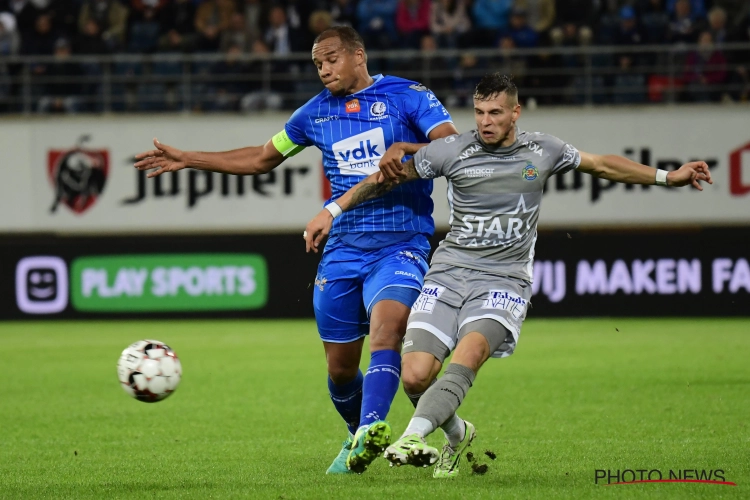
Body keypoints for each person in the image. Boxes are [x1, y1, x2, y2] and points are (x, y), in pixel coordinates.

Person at [303, 73, 712, 478]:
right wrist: (333, 210)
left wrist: (667, 176)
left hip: (503, 281)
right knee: (415, 377)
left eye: (495, 112)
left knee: (467, 356)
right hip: (447, 275)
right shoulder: (452, 150)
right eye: (479, 112)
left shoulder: (543, 149)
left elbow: (603, 165)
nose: (485, 121)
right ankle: (458, 434)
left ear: (515, 112)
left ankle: (411, 437)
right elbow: (383, 179)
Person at [133, 25, 458, 475]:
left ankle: (370, 431)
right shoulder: (313, 115)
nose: (323, 69)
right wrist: (191, 158)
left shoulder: (408, 96)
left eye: (331, 59)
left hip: (401, 242)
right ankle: (355, 434)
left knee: (388, 333)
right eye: (317, 63)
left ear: (357, 55)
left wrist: (408, 151)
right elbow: (262, 158)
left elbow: (453, 146)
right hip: (343, 249)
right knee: (341, 369)